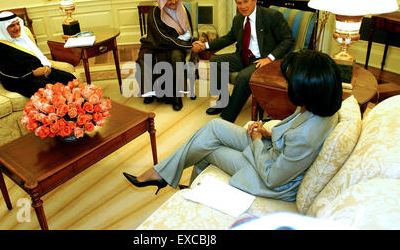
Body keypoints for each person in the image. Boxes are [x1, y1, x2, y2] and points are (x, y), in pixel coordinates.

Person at [124, 50, 342, 201]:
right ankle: (165, 174)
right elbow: (291, 131)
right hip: (272, 149)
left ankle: (175, 183)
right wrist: (267, 131)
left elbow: (272, 177)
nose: (287, 86)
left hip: (269, 178)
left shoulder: (306, 135)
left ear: (307, 88)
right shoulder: (318, 105)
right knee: (213, 127)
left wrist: (257, 141)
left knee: (208, 149)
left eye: (290, 81)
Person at [192, 0, 294, 123]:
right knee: (216, 61)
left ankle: (226, 119)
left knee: (243, 77)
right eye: (239, 3)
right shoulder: (239, 19)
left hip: (264, 60)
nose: (243, 6)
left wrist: (269, 58)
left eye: (246, 2)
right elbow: (229, 38)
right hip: (244, 56)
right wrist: (206, 46)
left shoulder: (272, 16)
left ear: (254, 0)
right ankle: (223, 101)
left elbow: (288, 40)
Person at [135, 0, 196, 111]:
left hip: (177, 45)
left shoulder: (183, 10)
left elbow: (189, 33)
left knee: (176, 57)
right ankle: (149, 91)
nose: (174, 2)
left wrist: (187, 43)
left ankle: (177, 95)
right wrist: (185, 45)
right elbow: (162, 37)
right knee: (144, 57)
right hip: (156, 43)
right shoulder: (155, 13)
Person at [0, 11, 76, 97]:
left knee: (70, 78)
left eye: (18, 24)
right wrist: (32, 73)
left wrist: (46, 66)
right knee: (49, 90)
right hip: (20, 80)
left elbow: (39, 55)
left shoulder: (22, 37)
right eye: (12, 26)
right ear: (3, 28)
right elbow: (2, 73)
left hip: (41, 72)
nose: (17, 28)